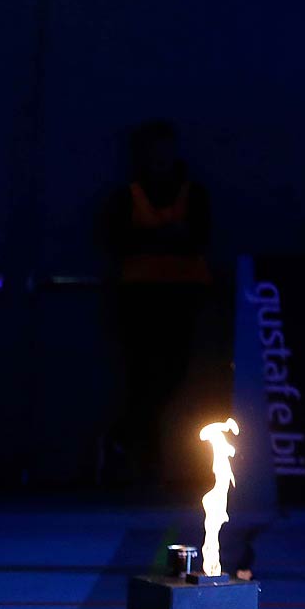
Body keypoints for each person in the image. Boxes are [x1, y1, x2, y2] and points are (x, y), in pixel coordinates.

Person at [99, 119, 217, 485]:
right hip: (140, 299)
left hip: (182, 299)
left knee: (175, 376)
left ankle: (143, 447)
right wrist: (168, 237)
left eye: (166, 148)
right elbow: (118, 240)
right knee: (142, 378)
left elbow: (199, 237)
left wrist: (151, 238)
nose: (161, 157)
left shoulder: (193, 193)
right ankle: (144, 455)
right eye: (154, 149)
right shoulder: (127, 195)